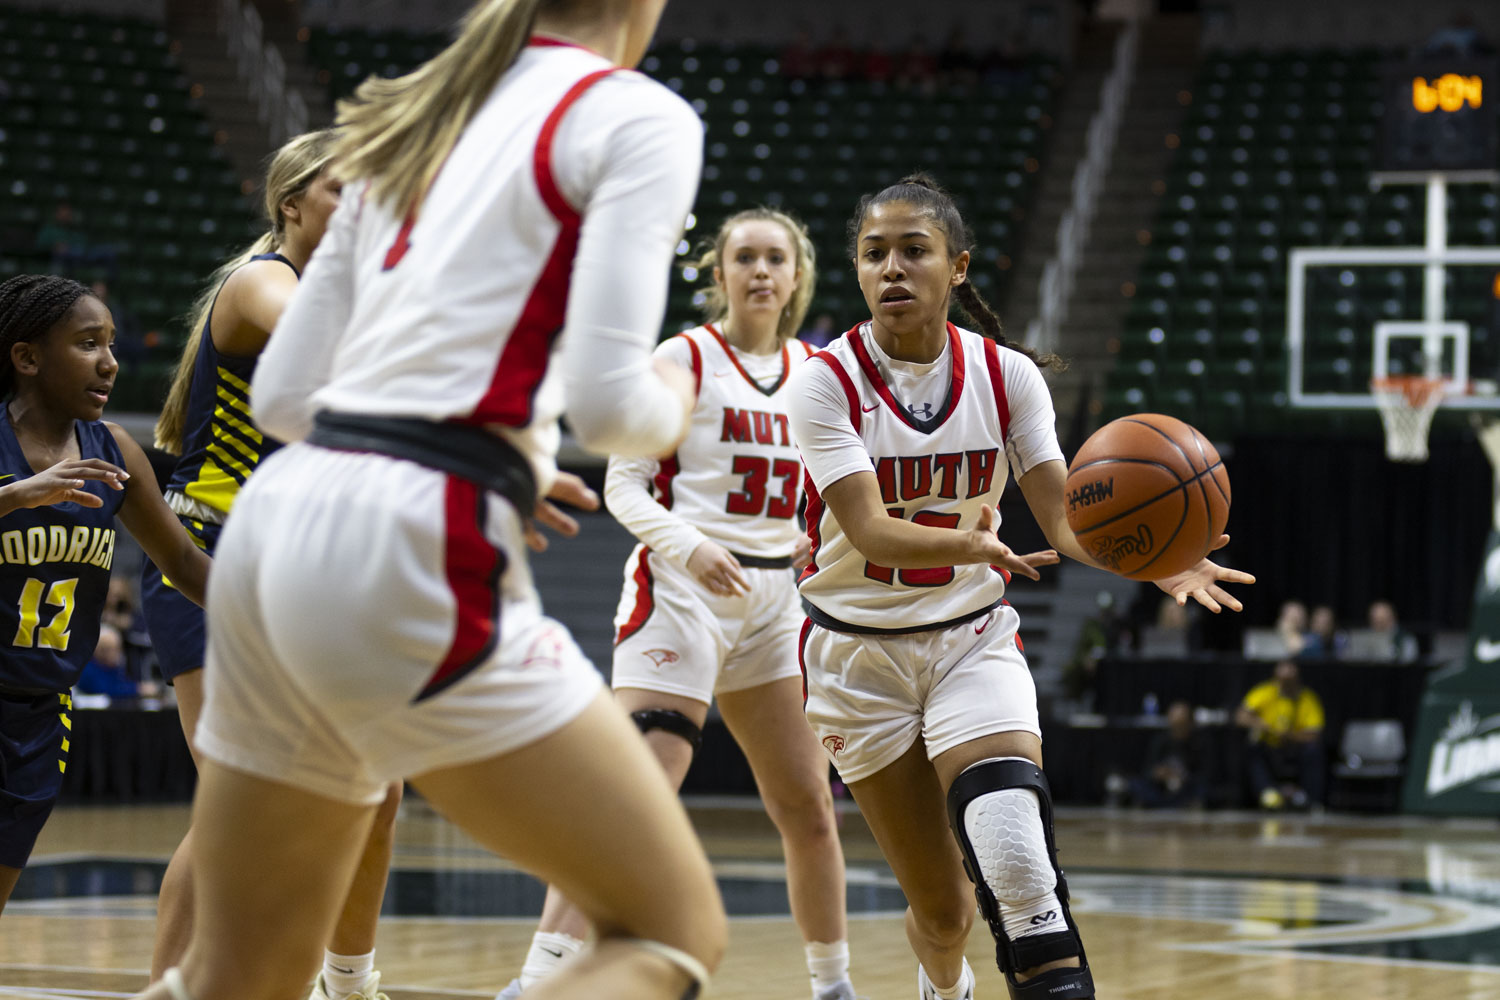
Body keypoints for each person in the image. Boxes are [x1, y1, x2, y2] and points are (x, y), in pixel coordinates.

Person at [130, 3, 726, 1000]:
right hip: (411, 537)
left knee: (234, 977)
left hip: (274, 531)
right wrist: (682, 393)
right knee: (666, 932)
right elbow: (616, 404)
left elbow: (280, 400)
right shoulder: (635, 116)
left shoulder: (411, 122)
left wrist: (478, 446)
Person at [787, 174, 1253, 1000]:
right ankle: (947, 987)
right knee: (942, 912)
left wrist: (1151, 559)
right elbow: (865, 528)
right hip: (856, 658)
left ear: (957, 267)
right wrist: (969, 538)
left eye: (914, 250)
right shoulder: (826, 381)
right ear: (857, 273)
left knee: (1014, 857)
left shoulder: (1008, 378)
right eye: (874, 253)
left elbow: (1066, 517)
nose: (892, 267)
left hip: (969, 637)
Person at [500, 209, 857, 1000]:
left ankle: (833, 986)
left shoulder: (817, 373)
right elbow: (622, 483)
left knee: (807, 805)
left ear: (797, 276)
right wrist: (689, 543)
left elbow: (836, 492)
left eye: (775, 258)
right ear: (720, 273)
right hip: (683, 585)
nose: (761, 271)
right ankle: (536, 980)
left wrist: (819, 535)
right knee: (635, 793)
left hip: (777, 602)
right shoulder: (684, 356)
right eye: (745, 258)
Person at [141, 129, 407, 1000]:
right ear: (291, 204)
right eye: (343, 193)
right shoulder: (265, 283)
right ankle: (167, 987)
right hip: (210, 557)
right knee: (240, 800)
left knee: (379, 786)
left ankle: (349, 980)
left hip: (300, 569)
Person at [0, 274, 211, 914]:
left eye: (112, 344)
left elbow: (178, 557)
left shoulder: (114, 449)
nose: (110, 362)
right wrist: (18, 496)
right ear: (28, 356)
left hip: (39, 714)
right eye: (88, 343)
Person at [1235, 660, 1325, 811]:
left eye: (1291, 671)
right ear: (1275, 676)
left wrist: (1290, 736)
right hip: (1270, 746)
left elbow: (1315, 734)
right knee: (1252, 748)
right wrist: (1264, 726)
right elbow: (1240, 717)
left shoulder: (1307, 698)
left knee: (1313, 750)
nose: (1287, 678)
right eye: (1283, 673)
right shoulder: (1264, 692)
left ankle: (1308, 799)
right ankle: (1267, 792)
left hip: (1294, 747)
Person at [1129, 701, 1209, 809]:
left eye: (1182, 725)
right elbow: (1148, 769)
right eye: (1175, 725)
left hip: (1185, 789)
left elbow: (1204, 772)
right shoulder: (1159, 741)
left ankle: (1188, 804)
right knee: (1136, 784)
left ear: (1190, 724)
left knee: (1202, 788)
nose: (1178, 729)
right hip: (1161, 790)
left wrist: (1183, 776)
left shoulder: (1197, 743)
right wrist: (1159, 773)